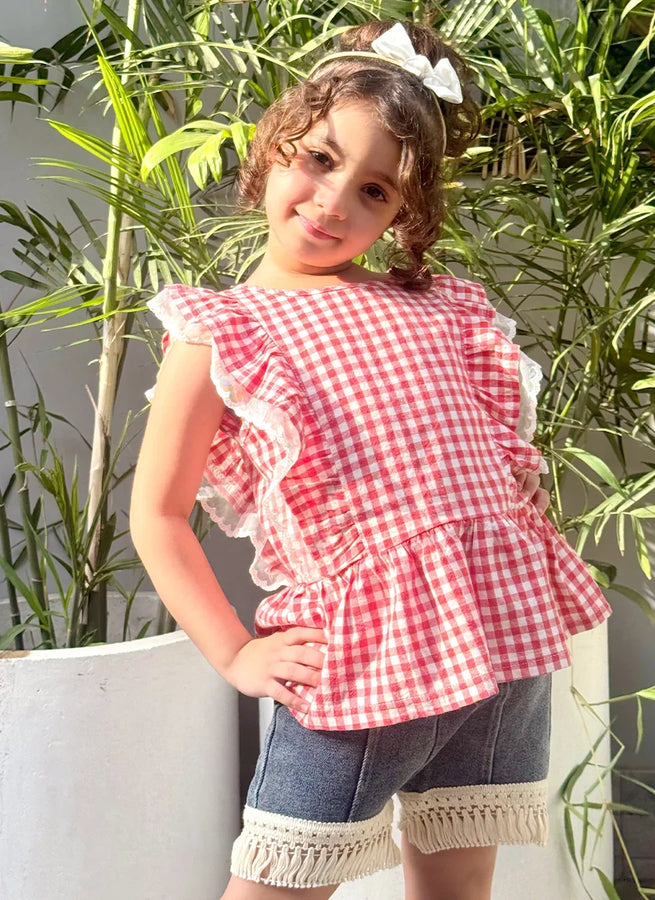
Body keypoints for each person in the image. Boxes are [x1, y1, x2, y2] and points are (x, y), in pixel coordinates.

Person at [130, 20, 611, 900]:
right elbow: (156, 515)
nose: (333, 201)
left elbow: (497, 466)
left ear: (404, 214)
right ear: (273, 142)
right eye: (319, 158)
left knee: (459, 888)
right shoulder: (224, 332)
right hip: (362, 655)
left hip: (504, 646)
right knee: (276, 882)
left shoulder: (443, 311)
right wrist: (236, 654)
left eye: (376, 190)